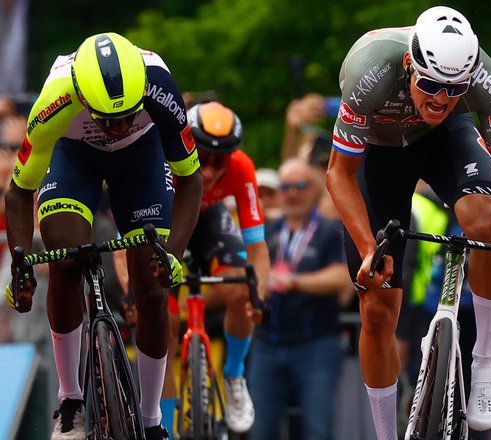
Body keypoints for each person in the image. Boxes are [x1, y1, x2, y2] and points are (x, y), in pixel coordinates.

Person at [325, 7, 491, 438]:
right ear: (410, 65)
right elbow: (338, 173)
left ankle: (484, 357)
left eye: (453, 89)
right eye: (429, 85)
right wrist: (369, 247)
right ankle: (387, 433)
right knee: (377, 308)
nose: (440, 99)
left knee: (482, 219)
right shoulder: (370, 68)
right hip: (378, 154)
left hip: (443, 142)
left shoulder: (484, 77)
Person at [4, 32, 202, 440]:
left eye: (128, 115)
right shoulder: (53, 101)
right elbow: (20, 190)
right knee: (63, 260)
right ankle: (70, 401)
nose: (118, 127)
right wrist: (20, 262)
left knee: (151, 287)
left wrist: (173, 255)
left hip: (141, 157)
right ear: (81, 94)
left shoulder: (159, 87)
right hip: (72, 155)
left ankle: (151, 419)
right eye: (107, 119)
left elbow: (191, 181)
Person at [162, 101, 270, 434]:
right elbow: (129, 240)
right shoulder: (163, 160)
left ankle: (234, 375)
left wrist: (258, 297)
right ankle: (161, 421)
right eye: (202, 158)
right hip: (166, 220)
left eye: (219, 162)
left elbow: (257, 248)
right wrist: (129, 288)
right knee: (161, 320)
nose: (208, 172)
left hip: (208, 221)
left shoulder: (242, 168)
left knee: (241, 287)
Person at [248, 157, 350, 440]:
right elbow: (248, 270)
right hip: (267, 342)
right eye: (286, 186)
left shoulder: (330, 230)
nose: (292, 193)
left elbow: (343, 277)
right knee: (260, 429)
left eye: (300, 186)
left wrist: (295, 282)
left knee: (317, 429)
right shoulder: (268, 231)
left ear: (314, 189)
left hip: (316, 344)